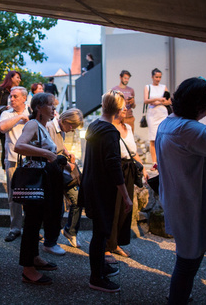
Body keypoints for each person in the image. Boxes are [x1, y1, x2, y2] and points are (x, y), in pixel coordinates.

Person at [155, 77, 206, 305]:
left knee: (187, 259)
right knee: (187, 263)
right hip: (190, 205)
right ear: (200, 106)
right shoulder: (189, 130)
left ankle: (179, 296)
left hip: (179, 202)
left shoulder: (168, 123)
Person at [78, 90, 132, 293]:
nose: (126, 109)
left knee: (100, 231)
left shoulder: (94, 126)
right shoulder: (110, 131)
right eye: (124, 106)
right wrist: (126, 196)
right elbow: (113, 165)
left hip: (91, 184)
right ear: (118, 110)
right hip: (101, 188)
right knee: (101, 233)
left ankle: (101, 266)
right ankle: (96, 277)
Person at [14, 92, 64, 285]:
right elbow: (19, 146)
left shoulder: (42, 127)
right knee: (32, 224)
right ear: (38, 107)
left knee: (36, 223)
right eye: (51, 105)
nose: (53, 109)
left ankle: (34, 258)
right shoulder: (33, 124)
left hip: (44, 179)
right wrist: (47, 154)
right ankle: (28, 269)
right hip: (36, 181)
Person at [104, 92, 148, 263]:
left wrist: (142, 166)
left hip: (129, 169)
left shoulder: (128, 128)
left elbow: (133, 151)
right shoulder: (108, 127)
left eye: (127, 107)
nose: (126, 110)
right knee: (112, 209)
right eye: (123, 107)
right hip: (115, 169)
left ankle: (115, 244)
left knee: (124, 209)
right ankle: (106, 246)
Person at [46, 108, 84, 249]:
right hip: (53, 172)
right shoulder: (50, 127)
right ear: (65, 120)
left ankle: (70, 231)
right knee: (57, 208)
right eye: (71, 126)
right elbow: (49, 152)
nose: (71, 130)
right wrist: (67, 163)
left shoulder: (61, 128)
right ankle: (51, 241)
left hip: (61, 172)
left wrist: (67, 152)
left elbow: (58, 147)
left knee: (77, 199)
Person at [0, 86, 30, 242]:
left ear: (24, 98)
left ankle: (31, 228)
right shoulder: (6, 113)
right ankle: (15, 228)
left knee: (31, 196)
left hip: (30, 161)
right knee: (13, 196)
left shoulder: (32, 112)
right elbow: (2, 127)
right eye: (11, 96)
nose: (12, 99)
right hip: (12, 159)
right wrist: (19, 117)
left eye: (15, 96)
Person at [0, 70, 21, 169]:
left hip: (17, 122)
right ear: (11, 78)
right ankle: (5, 170)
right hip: (4, 121)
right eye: (17, 77)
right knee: (5, 146)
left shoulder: (19, 91)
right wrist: (5, 108)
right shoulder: (1, 90)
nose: (19, 80)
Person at [144, 68, 170, 171]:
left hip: (162, 113)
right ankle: (155, 163)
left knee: (163, 137)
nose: (158, 79)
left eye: (159, 77)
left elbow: (169, 101)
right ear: (152, 77)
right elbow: (146, 100)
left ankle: (163, 160)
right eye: (156, 77)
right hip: (152, 114)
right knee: (153, 138)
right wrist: (157, 99)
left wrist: (159, 102)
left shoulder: (164, 87)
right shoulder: (148, 87)